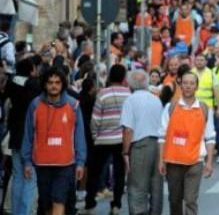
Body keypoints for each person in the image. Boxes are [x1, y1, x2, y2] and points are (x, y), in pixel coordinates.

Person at [22, 67, 87, 215]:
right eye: (50, 82)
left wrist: (80, 162)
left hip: (65, 164)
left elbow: (79, 137)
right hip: (41, 164)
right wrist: (26, 162)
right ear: (44, 84)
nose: (54, 86)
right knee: (46, 205)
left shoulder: (73, 105)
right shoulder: (35, 105)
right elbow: (28, 135)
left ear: (62, 84)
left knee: (59, 200)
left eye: (57, 82)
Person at [158, 72, 216, 215]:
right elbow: (162, 136)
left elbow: (210, 138)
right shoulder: (170, 108)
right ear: (180, 85)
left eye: (191, 83)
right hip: (173, 161)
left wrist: (209, 162)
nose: (188, 86)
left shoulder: (204, 109)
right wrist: (161, 160)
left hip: (195, 162)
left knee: (190, 200)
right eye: (185, 83)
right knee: (174, 200)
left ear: (196, 86)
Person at [84, 64, 131, 213]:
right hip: (121, 140)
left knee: (95, 172)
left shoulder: (102, 94)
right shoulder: (129, 94)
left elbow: (95, 119)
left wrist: (94, 136)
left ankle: (90, 203)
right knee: (119, 172)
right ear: (124, 77)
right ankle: (116, 204)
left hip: (102, 140)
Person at [121, 70, 164, 215]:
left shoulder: (130, 100)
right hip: (158, 144)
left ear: (130, 84)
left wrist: (125, 152)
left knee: (137, 186)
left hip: (140, 145)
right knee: (156, 186)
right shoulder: (155, 99)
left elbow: (128, 130)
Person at [6, 57, 42, 215]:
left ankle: (16, 212)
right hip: (31, 137)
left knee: (18, 176)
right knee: (30, 179)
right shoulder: (34, 86)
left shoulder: (11, 83)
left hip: (15, 136)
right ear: (31, 70)